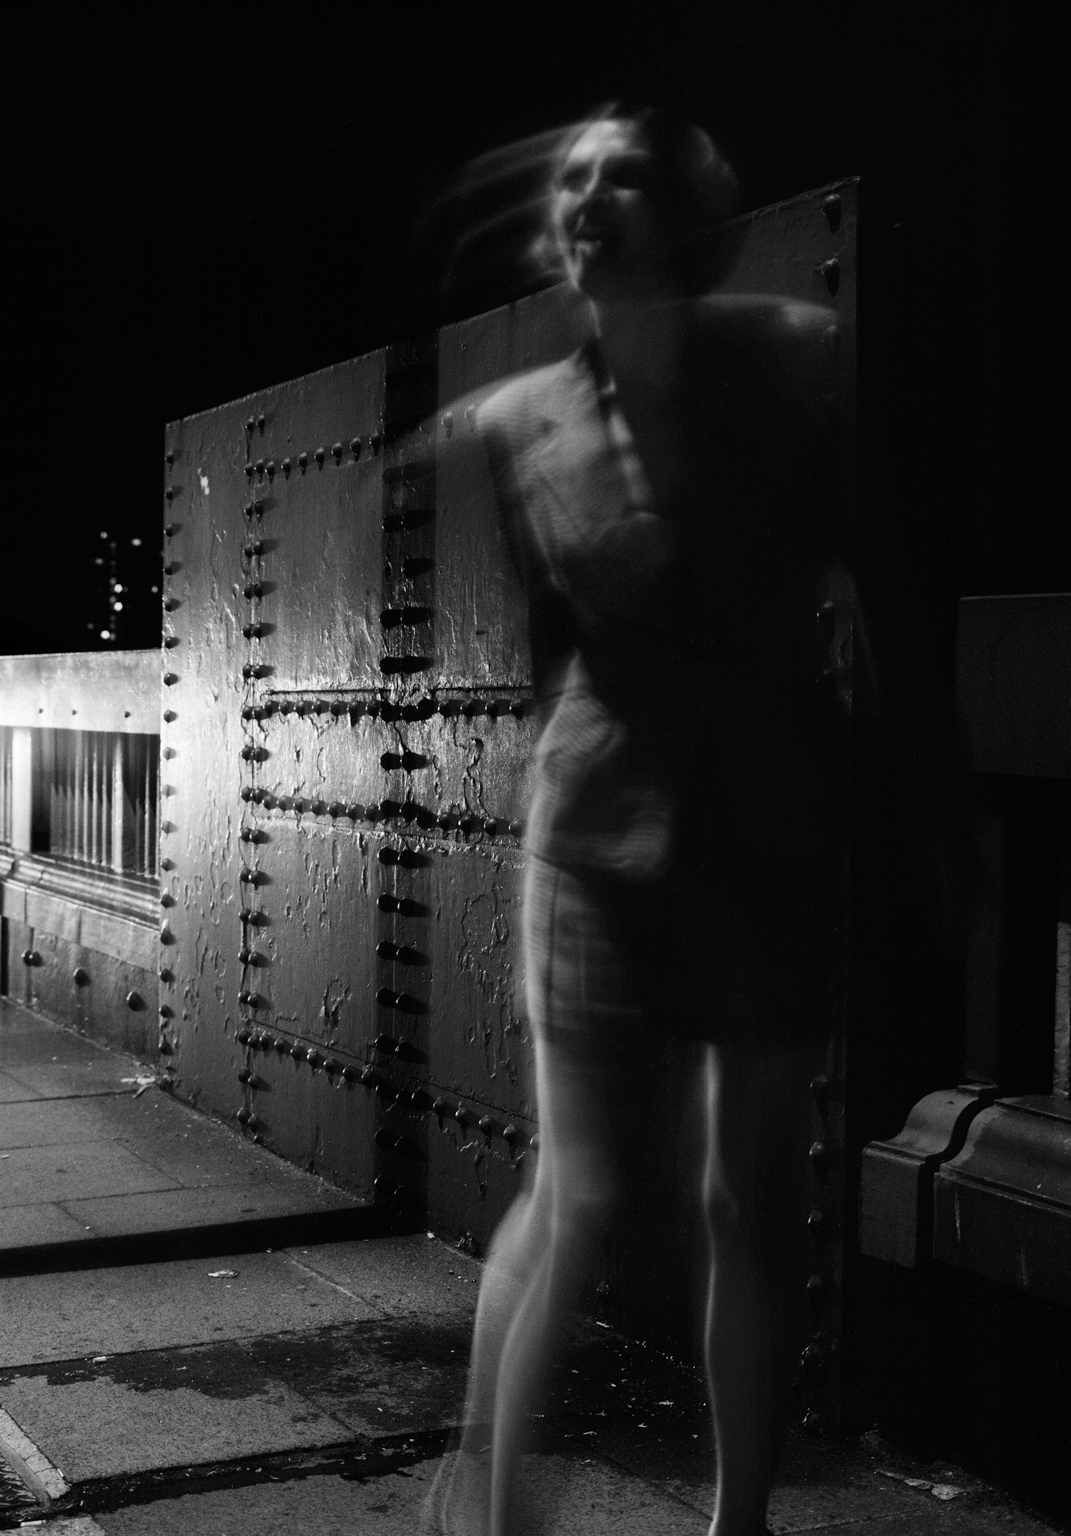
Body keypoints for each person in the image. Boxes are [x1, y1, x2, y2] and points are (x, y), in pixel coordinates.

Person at [426, 106, 852, 1536]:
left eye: (622, 174)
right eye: (572, 179)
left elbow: (868, 558)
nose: (588, 195)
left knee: (749, 1196)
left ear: (682, 210)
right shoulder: (512, 424)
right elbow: (547, 652)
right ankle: (491, 1506)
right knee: (583, 1186)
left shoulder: (799, 361)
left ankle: (743, 1521)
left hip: (767, 828)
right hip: (597, 834)